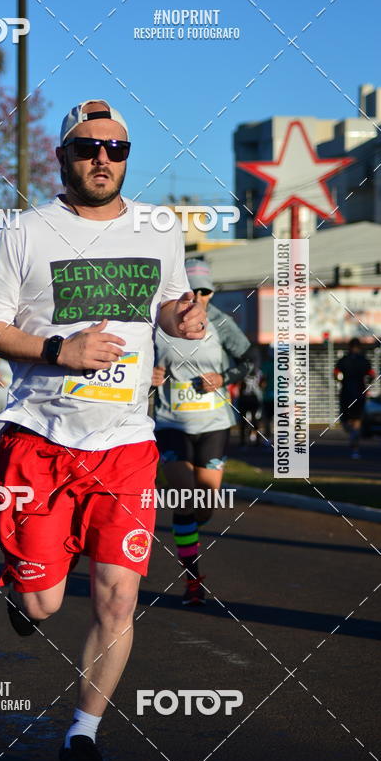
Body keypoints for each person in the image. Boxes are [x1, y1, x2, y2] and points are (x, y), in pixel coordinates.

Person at [0, 99, 206, 761]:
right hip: (41, 440)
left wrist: (183, 319)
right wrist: (58, 350)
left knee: (117, 601)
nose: (103, 158)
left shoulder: (159, 228)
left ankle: (83, 736)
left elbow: (168, 306)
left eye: (116, 148)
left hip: (126, 444)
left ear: (127, 156)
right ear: (63, 156)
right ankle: (26, 583)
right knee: (43, 604)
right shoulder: (24, 232)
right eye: (87, 147)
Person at [152, 258, 253, 606]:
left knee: (205, 505)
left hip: (213, 424)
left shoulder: (221, 323)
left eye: (205, 291)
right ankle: (192, 579)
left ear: (211, 293)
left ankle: (189, 537)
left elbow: (249, 361)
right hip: (171, 423)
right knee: (184, 497)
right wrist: (149, 376)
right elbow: (133, 364)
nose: (197, 297)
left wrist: (224, 378)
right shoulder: (157, 323)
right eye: (191, 290)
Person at [334, 338, 375, 459]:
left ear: (349, 347)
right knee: (357, 418)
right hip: (360, 393)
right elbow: (372, 374)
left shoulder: (343, 360)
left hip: (346, 393)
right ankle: (355, 443)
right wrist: (368, 382)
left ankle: (352, 433)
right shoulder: (364, 360)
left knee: (345, 419)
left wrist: (340, 380)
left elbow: (336, 374)